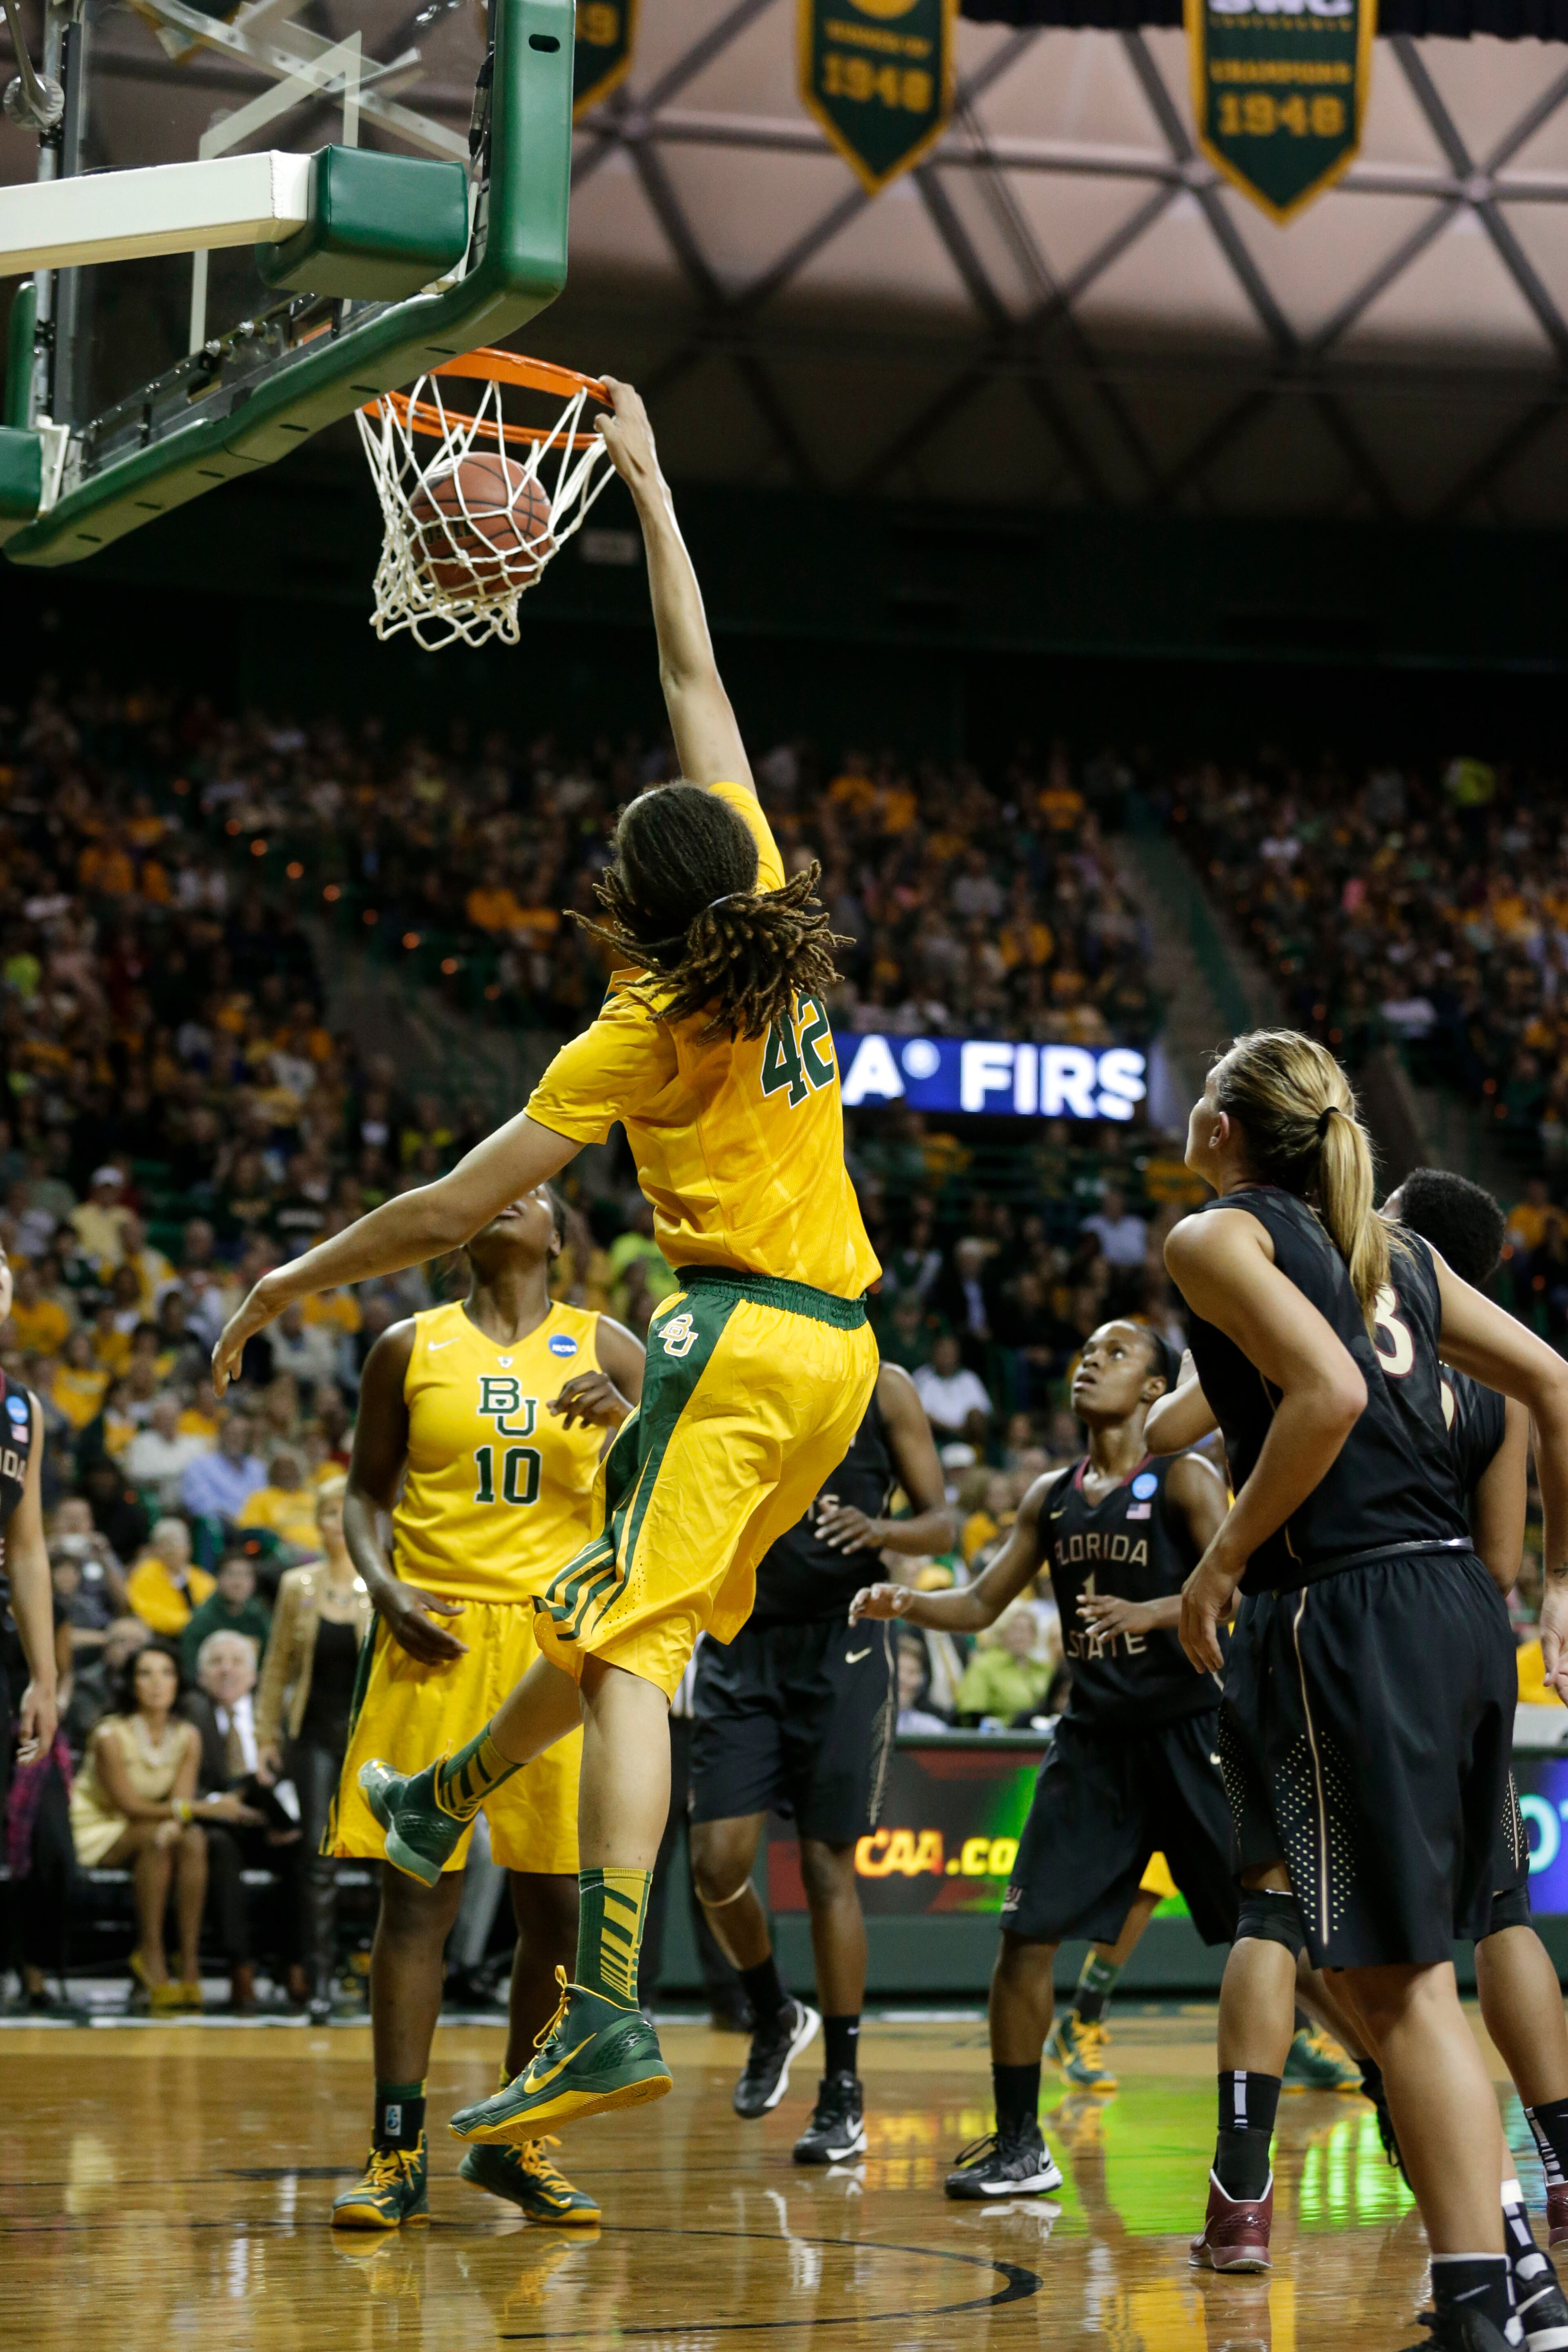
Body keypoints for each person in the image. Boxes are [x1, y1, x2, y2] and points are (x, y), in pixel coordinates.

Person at [212, 377, 880, 2152]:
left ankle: (603, 2003)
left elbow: (446, 1210)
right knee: (604, 1606)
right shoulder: (767, 909)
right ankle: (448, 1793)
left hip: (734, 1341)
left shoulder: (639, 1026)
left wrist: (289, 1280)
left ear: (627, 908)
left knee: (633, 1655)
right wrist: (648, 487)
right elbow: (697, 682)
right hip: (840, 1359)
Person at [1152, 1030, 1568, 2352]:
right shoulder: (1398, 1255)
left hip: (1349, 1611)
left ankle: (1486, 2298)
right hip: (1457, 1608)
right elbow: (1556, 1380)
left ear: (1226, 1127)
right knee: (1398, 1973)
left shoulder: (1214, 1237)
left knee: (1399, 1987)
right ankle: (1508, 2283)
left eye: (1203, 1092)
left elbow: (1326, 1392)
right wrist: (1563, 1587)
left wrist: (1219, 1560)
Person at [852, 1320, 1232, 2199]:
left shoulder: (1186, 1477)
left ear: (1156, 1389)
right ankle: (1021, 2144)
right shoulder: (1051, 1496)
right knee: (1024, 1940)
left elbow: (1240, 1591)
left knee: (1270, 1931)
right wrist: (907, 1600)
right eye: (1086, 1352)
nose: (1090, 1362)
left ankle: (1386, 2084)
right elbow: (982, 1603)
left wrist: (1155, 1613)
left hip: (1193, 1735)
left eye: (1116, 1354)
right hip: (1094, 1744)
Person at [326, 1186, 645, 2228]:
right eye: (491, 1191)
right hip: (438, 1630)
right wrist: (383, 1587)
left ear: (561, 1236)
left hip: (559, 1641)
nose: (510, 1196)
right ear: (460, 1228)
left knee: (556, 1907)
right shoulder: (406, 1345)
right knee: (416, 1899)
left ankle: (517, 2142)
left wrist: (633, 1419)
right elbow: (365, 1493)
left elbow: (679, 1484)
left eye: (535, 1190)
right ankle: (395, 2148)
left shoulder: (609, 1345)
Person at [687, 1364, 954, 2163]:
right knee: (715, 1865)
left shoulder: (885, 1386)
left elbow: (941, 1524)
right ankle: (773, 2012)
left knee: (825, 1867)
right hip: (741, 1641)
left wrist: (881, 1533)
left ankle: (843, 2087)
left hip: (845, 1643)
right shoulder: (735, 1369)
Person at [1383, 1169, 1568, 2278]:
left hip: (1360, 1628)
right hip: (1467, 1635)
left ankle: (1250, 2188)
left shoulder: (1351, 1323)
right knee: (1500, 1904)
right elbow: (1503, 1559)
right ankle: (1561, 2157)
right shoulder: (1501, 1377)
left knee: (1316, 1928)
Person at [67, 1641, 261, 2010]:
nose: (157, 1683)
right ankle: (152, 1955)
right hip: (102, 1827)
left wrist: (183, 1819)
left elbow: (180, 1805)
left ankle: (188, 1961)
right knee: (161, 1837)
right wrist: (205, 1809)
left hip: (153, 1827)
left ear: (178, 1683)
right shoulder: (109, 1735)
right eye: (146, 1674)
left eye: (167, 1673)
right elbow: (127, 1805)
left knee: (192, 1839)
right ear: (131, 1684)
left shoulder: (188, 1735)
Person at [255, 1477, 372, 2020]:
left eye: (345, 1512)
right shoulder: (297, 1586)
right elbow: (276, 1666)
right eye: (327, 1512)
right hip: (314, 1736)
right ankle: (321, 1981)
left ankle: (378, 1978)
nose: (336, 1522)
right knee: (317, 1859)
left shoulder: (383, 1582)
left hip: (371, 1738)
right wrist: (265, 1736)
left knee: (383, 1857)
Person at [179, 1551, 272, 1683]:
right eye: (231, 1574)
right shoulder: (202, 1620)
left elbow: (270, 1663)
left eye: (246, 1575)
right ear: (218, 1578)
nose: (239, 1582)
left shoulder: (260, 1614)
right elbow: (191, 1671)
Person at [126, 1516, 214, 1635]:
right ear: (155, 1549)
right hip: (159, 1636)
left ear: (189, 1547)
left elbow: (211, 1613)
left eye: (176, 1543)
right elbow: (146, 1613)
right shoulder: (144, 1574)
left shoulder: (203, 1579)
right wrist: (190, 1622)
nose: (171, 1549)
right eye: (164, 1544)